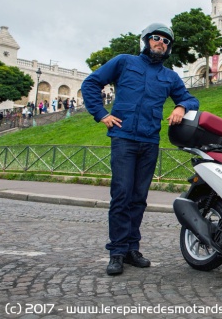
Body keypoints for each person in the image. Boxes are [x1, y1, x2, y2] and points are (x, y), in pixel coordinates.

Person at [82, 23, 199, 276]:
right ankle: (117, 251)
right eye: (156, 38)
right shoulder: (124, 62)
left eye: (166, 41)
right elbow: (91, 83)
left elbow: (190, 99)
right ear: (146, 41)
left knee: (139, 197)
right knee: (122, 194)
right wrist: (101, 114)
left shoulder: (170, 77)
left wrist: (181, 107)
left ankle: (132, 249)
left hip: (149, 141)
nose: (161, 43)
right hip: (123, 138)